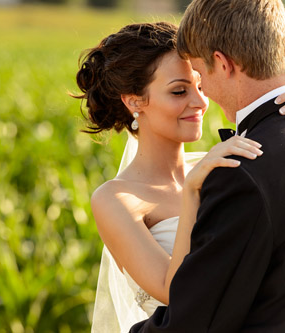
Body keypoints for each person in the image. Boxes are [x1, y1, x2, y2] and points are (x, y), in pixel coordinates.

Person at [74, 21, 285, 332]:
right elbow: (176, 292)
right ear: (134, 101)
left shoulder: (222, 167)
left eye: (200, 85)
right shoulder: (116, 199)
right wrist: (190, 194)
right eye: (179, 91)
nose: (199, 102)